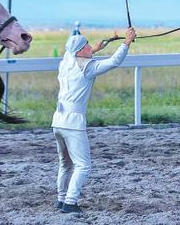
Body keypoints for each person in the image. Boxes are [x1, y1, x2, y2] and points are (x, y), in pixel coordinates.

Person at [52, 27, 136, 213]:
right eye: (87, 45)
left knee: (65, 164)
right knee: (83, 166)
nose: (91, 46)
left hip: (57, 121)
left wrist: (106, 42)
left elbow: (79, 54)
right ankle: (70, 202)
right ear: (81, 50)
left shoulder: (65, 61)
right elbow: (114, 62)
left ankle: (61, 199)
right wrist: (126, 42)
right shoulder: (87, 68)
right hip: (73, 123)